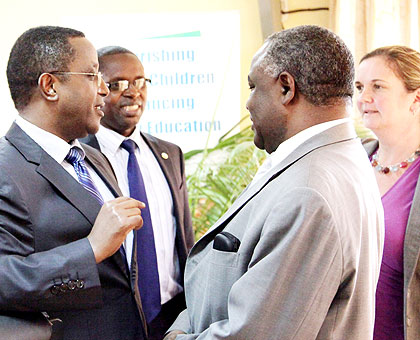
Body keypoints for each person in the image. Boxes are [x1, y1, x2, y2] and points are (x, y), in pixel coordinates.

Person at [164, 25, 384, 340]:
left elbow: (259, 333)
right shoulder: (339, 156)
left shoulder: (308, 192)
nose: (248, 103)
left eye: (253, 86)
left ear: (285, 88)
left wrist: (176, 337)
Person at [1, 26, 148, 340]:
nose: (104, 90)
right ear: (50, 86)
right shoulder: (5, 169)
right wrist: (90, 249)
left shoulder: (93, 158)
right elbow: (4, 278)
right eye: (92, 75)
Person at [80, 46, 194, 340]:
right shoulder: (78, 156)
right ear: (96, 89)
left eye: (140, 81)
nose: (133, 93)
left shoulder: (170, 153)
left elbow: (183, 236)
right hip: (110, 321)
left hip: (173, 317)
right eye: (117, 85)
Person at [355, 45, 420, 340]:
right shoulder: (348, 163)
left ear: (416, 98)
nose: (364, 98)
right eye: (359, 87)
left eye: (377, 87)